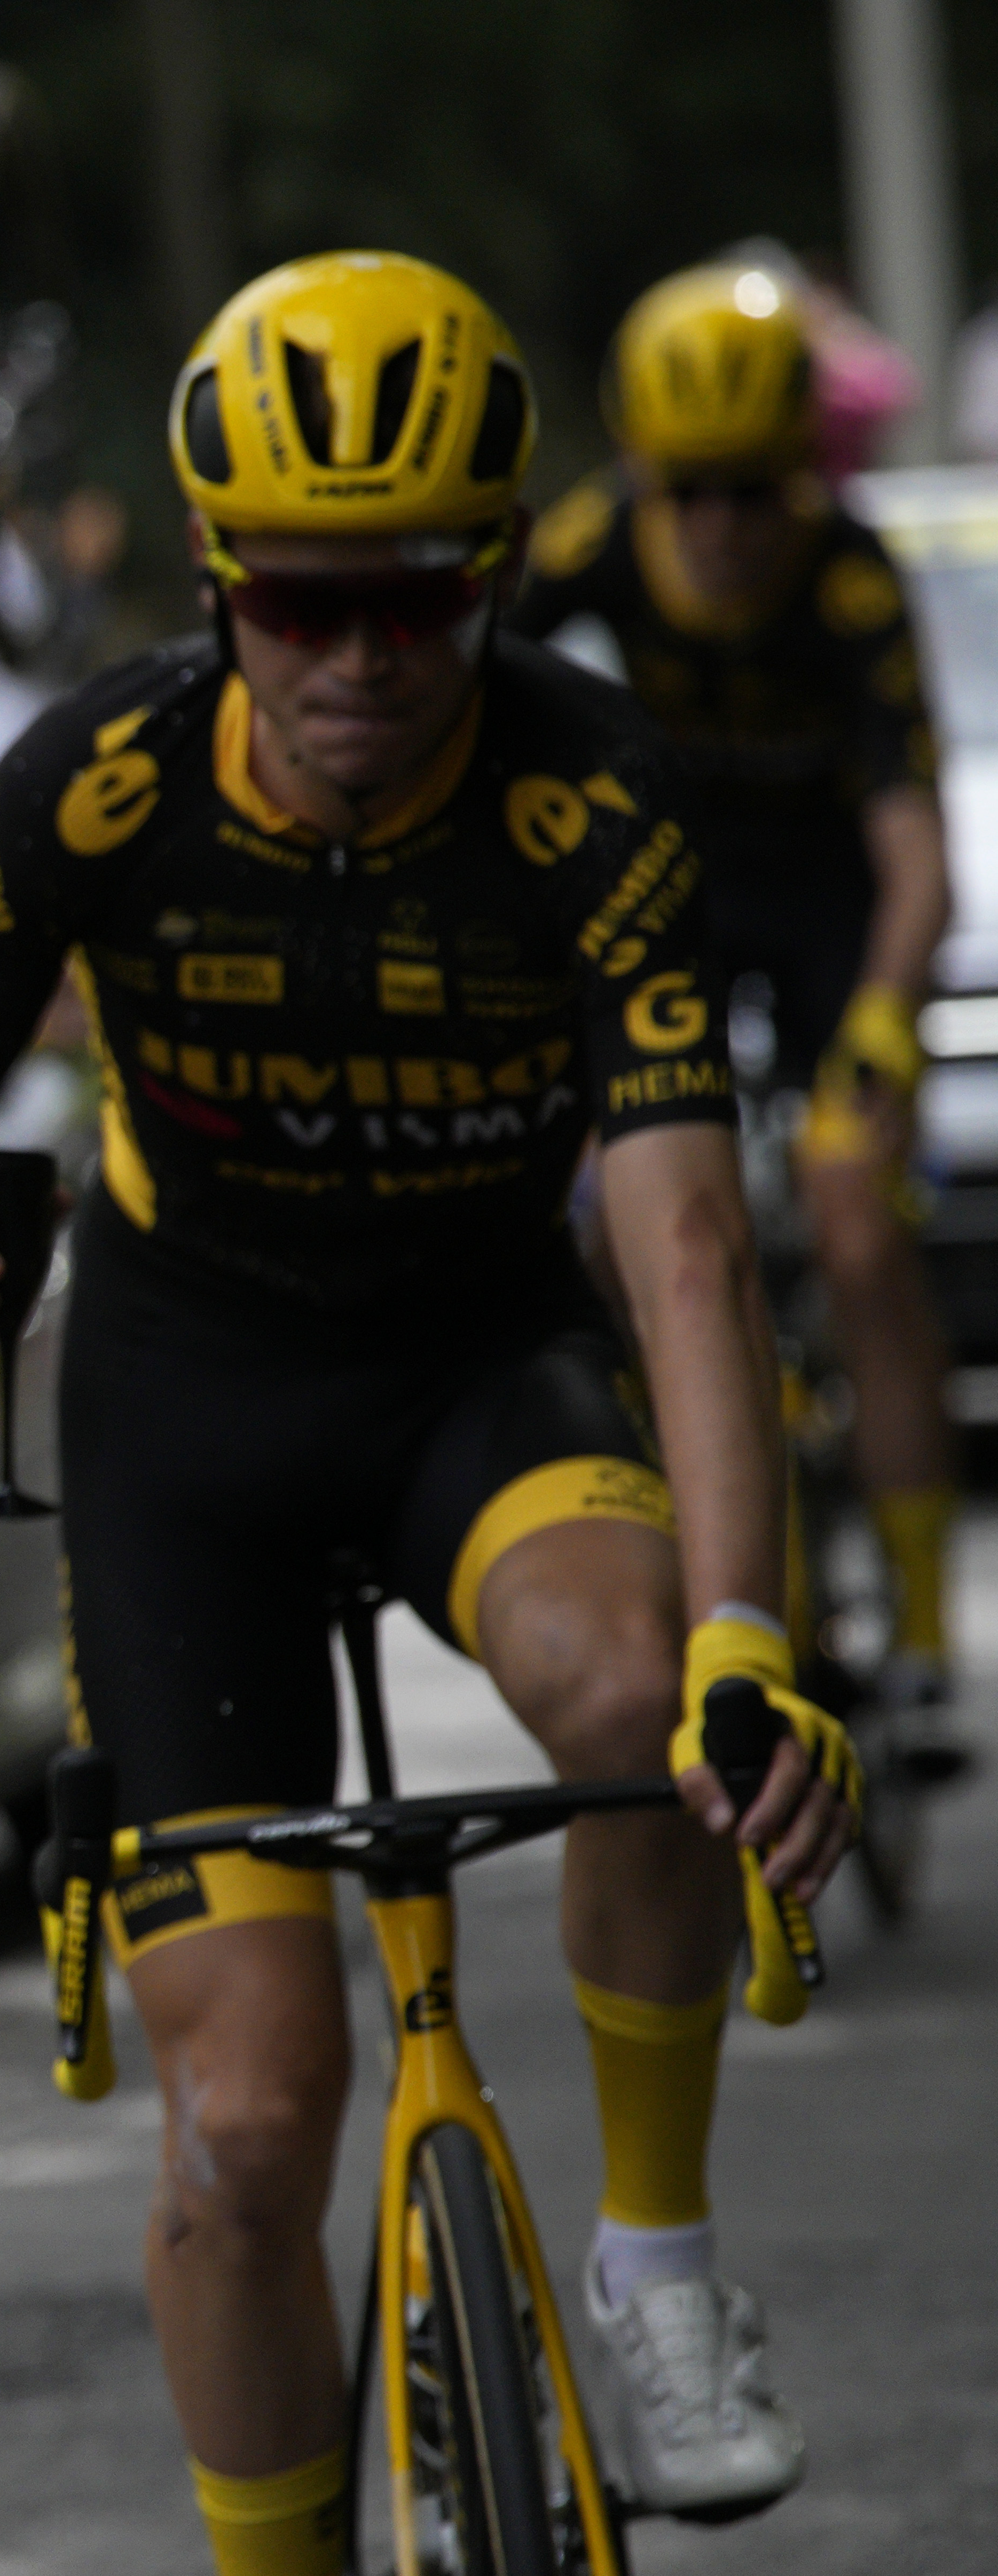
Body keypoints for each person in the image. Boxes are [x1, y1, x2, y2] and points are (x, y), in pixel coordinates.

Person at [0, 253, 860, 2572]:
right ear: (214, 588)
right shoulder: (90, 779)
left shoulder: (591, 794)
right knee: (249, 2124)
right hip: (193, 1404)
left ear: (484, 578)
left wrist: (750, 1628)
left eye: (413, 605)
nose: (357, 661)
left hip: (478, 1355)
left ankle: (654, 2272)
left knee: (637, 1670)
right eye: (297, 608)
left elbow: (680, 1244)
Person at [515, 260, 961, 1747]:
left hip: (835, 907)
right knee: (613, 1229)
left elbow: (915, 853)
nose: (717, 530)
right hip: (677, 902)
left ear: (799, 473)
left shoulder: (845, 578)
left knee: (848, 1209)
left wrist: (884, 1031)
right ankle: (694, 1515)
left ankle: (915, 1620)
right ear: (644, 470)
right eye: (687, 492)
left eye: (750, 493)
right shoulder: (588, 544)